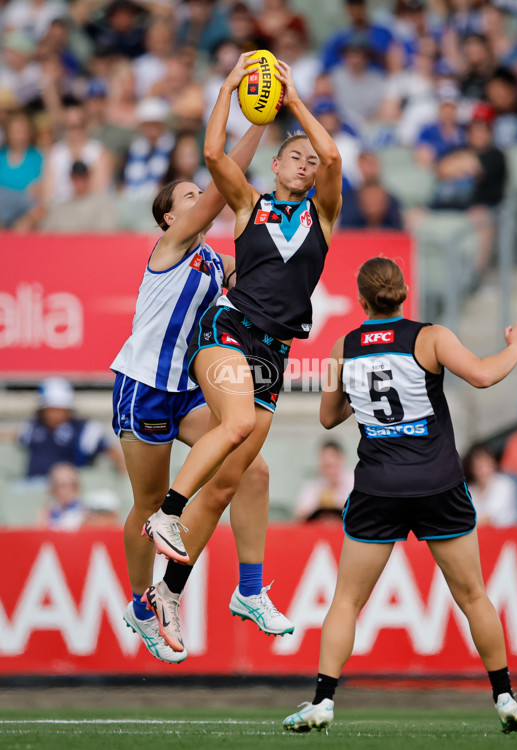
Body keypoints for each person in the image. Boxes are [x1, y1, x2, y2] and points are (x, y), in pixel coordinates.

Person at [141, 52, 342, 654]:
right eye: (295, 155)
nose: (307, 163)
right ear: (275, 162)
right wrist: (230, 87)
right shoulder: (249, 206)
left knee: (235, 481)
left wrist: (295, 101)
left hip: (273, 353)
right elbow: (211, 156)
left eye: (310, 160)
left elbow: (333, 156)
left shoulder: (324, 215)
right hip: (227, 328)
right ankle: (167, 511)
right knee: (239, 423)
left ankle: (208, 591)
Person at [282, 257, 517, 734]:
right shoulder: (430, 337)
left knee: (346, 602)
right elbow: (482, 375)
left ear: (361, 300)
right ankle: (503, 695)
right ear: (404, 291)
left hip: (378, 486)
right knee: (474, 596)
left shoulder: (344, 347)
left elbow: (328, 418)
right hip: (438, 482)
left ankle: (322, 701)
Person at [112, 122, 293, 665]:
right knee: (148, 501)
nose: (200, 196)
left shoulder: (217, 262)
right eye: (188, 196)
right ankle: (142, 604)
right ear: (170, 216)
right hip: (144, 386)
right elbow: (222, 188)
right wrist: (257, 122)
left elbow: (263, 269)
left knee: (252, 469)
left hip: (187, 390)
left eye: (199, 192)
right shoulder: (170, 244)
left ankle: (252, 588)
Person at [18, 377, 123, 480]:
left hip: (69, 490)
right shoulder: (33, 427)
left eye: (58, 409)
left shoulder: (85, 429)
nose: (53, 415)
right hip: (32, 487)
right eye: (50, 410)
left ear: (68, 409)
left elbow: (112, 451)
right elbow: (13, 437)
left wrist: (124, 475)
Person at [462, 443, 517, 527]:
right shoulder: (470, 489)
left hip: (507, 535)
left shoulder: (504, 484)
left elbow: (488, 518)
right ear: (471, 468)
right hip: (481, 535)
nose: (483, 469)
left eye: (486, 463)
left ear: (493, 463)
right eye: (478, 465)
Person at [295, 441, 354, 522]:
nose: (329, 471)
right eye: (325, 466)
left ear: (341, 459)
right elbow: (300, 515)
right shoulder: (314, 485)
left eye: (331, 465)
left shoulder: (356, 483)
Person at [35, 462, 86, 531]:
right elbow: (39, 535)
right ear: (53, 488)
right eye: (61, 485)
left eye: (71, 484)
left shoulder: (85, 512)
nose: (66, 490)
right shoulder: (46, 512)